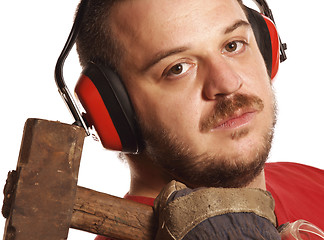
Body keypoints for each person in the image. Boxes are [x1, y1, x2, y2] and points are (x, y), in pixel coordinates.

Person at [73, 0, 324, 239]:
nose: (228, 83)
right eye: (177, 68)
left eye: (233, 45)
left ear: (266, 48)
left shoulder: (315, 184)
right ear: (113, 112)